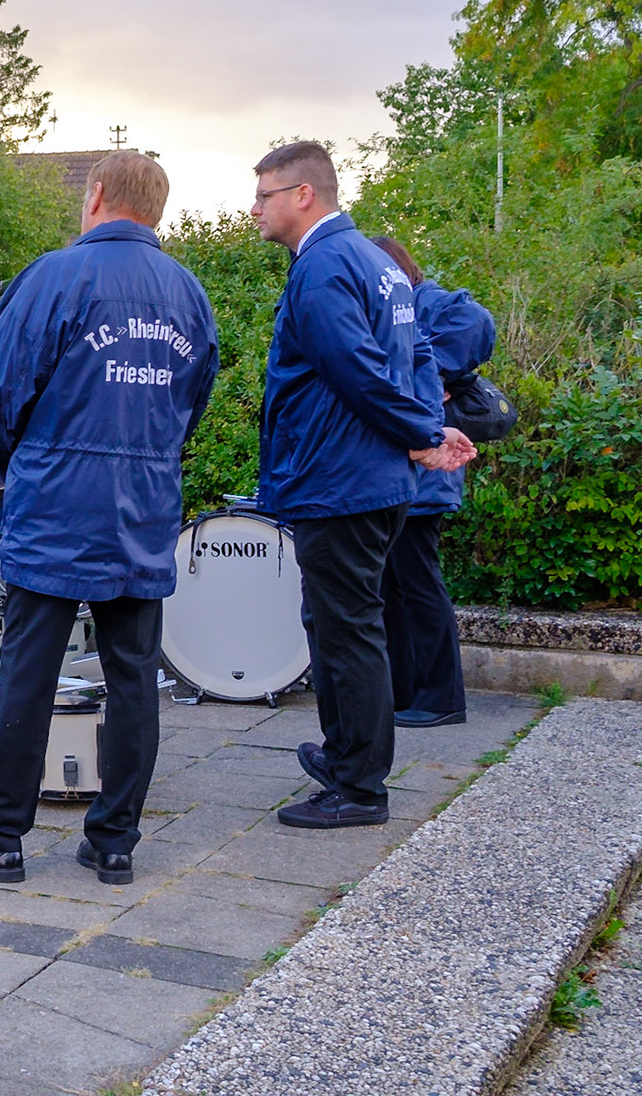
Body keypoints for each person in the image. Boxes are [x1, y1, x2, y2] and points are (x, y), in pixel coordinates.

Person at [0, 153, 219, 887]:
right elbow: (192, 400)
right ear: (157, 208)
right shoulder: (186, 290)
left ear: (95, 196)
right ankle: (115, 839)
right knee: (134, 674)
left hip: (57, 499)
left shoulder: (55, 275)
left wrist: (24, 460)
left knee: (27, 670)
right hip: (143, 501)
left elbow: (0, 394)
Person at [251, 141, 475, 830]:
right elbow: (415, 355)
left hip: (339, 477)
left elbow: (353, 368)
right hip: (371, 477)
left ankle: (358, 788)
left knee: (346, 632)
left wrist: (422, 435)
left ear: (303, 195)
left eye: (264, 195)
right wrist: (426, 427)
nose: (254, 208)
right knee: (340, 623)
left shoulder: (323, 265)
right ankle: (346, 754)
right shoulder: (376, 262)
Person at [372, 236, 495, 729]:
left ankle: (443, 698)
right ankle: (404, 692)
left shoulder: (424, 301)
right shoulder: (398, 307)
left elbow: (476, 321)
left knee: (419, 584)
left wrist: (431, 373)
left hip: (426, 475)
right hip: (403, 475)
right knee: (393, 587)